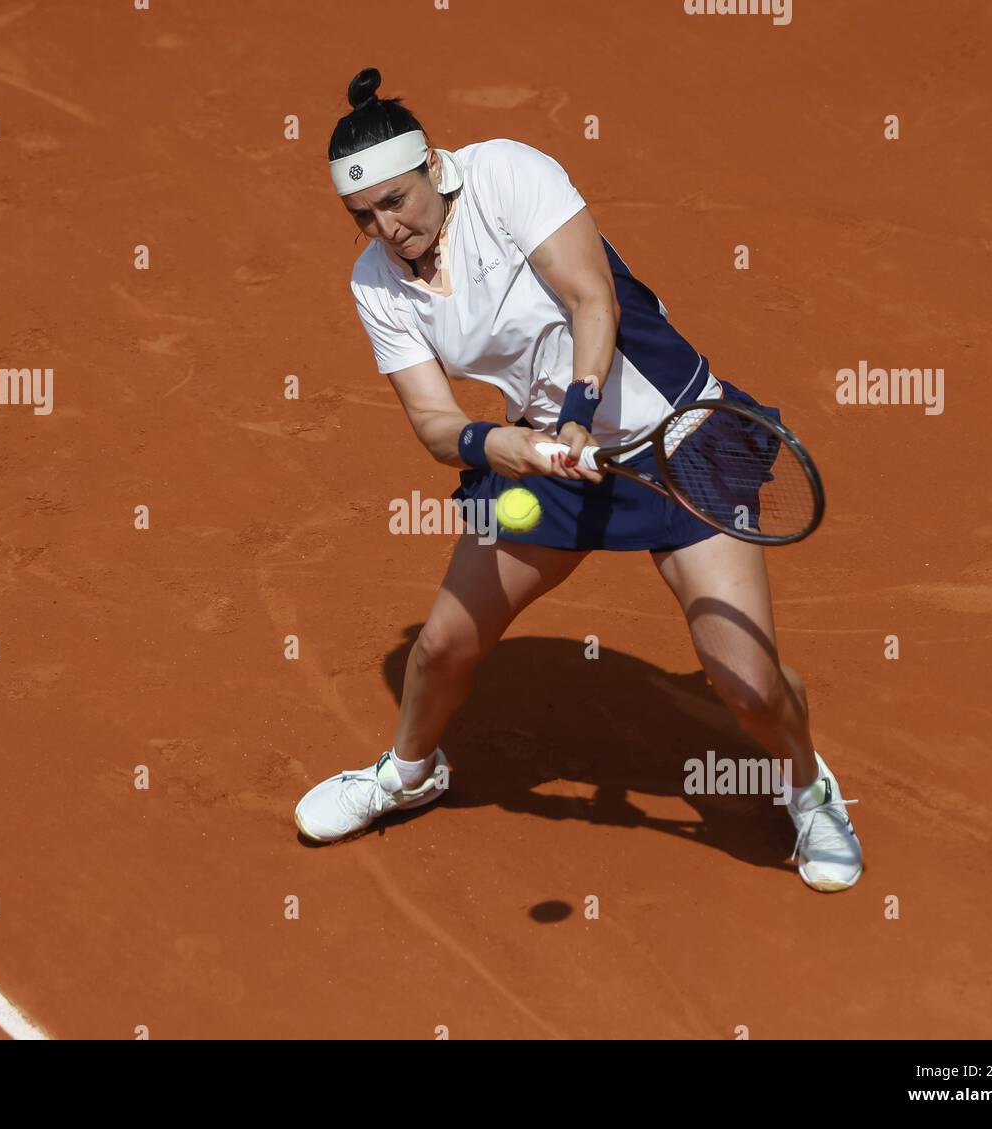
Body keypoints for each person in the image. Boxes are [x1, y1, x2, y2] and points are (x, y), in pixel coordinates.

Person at [293, 67, 863, 892]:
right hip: (552, 471)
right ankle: (409, 771)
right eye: (364, 216)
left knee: (746, 684)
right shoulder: (376, 283)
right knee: (447, 642)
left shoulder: (506, 175)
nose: (386, 227)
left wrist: (577, 412)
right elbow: (432, 424)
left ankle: (810, 790)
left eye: (397, 202)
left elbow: (594, 299)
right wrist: (505, 445)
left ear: (434, 168)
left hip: (679, 446)